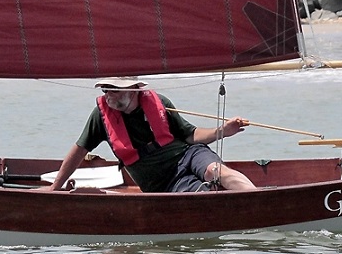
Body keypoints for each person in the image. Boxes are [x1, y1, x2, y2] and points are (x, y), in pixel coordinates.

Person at [48, 78, 256, 193]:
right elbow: (79, 149)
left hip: (188, 156)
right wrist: (55, 187)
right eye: (105, 90)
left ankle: (257, 199)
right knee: (201, 195)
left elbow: (190, 135)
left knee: (216, 172)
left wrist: (223, 132)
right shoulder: (101, 117)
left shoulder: (159, 103)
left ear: (134, 90)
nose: (108, 95)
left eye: (115, 90)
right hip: (164, 183)